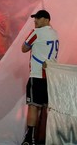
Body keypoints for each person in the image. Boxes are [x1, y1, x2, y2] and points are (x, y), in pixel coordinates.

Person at [21, 9, 59, 145]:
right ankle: (44, 139)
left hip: (37, 75)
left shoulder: (36, 33)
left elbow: (23, 48)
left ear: (47, 20)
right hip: (51, 77)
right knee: (46, 108)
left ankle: (30, 139)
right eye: (35, 18)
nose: (35, 20)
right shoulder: (55, 33)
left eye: (39, 18)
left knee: (33, 106)